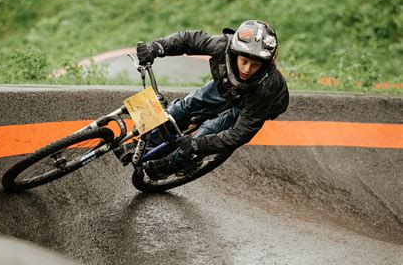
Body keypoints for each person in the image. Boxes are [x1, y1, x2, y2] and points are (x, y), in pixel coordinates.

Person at [115, 19, 289, 181]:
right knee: (185, 107)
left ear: (265, 65)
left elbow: (239, 135)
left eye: (255, 65)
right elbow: (188, 40)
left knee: (208, 130)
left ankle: (177, 163)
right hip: (227, 86)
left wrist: (199, 145)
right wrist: (157, 47)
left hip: (254, 103)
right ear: (234, 52)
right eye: (243, 61)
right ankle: (146, 142)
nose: (247, 69)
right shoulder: (222, 46)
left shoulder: (267, 87)